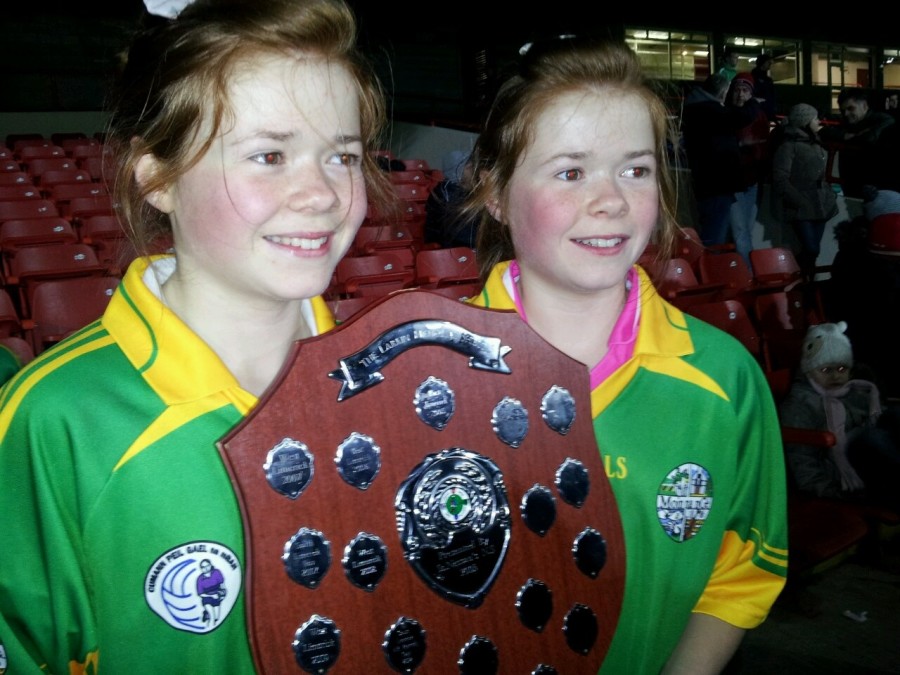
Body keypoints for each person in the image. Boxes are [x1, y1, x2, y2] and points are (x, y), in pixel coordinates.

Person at [0, 0, 392, 672]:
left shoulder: (395, 386)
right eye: (269, 154)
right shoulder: (55, 421)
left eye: (343, 155)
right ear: (157, 176)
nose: (324, 194)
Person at [462, 36, 787, 674]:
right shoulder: (418, 376)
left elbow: (741, 573)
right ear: (496, 191)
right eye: (571, 171)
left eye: (635, 169)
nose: (611, 200)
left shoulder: (723, 380)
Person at [780, 321, 900, 514]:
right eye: (826, 370)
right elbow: (802, 459)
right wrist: (829, 491)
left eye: (842, 369)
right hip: (841, 476)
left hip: (874, 462)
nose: (836, 376)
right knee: (870, 439)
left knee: (895, 414)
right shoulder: (800, 404)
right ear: (809, 370)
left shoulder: (856, 391)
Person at [681, 72, 759, 247]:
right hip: (716, 183)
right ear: (724, 91)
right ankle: (708, 270)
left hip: (711, 183)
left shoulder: (697, 107)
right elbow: (740, 118)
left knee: (716, 232)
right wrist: (754, 103)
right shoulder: (710, 110)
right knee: (715, 237)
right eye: (734, 89)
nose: (738, 94)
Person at [771, 103, 838, 281]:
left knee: (813, 249)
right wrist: (799, 200)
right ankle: (801, 281)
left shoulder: (815, 141)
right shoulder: (788, 146)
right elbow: (780, 179)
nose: (818, 121)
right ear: (805, 121)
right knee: (811, 248)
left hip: (820, 203)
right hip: (803, 206)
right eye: (815, 118)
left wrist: (828, 194)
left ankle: (806, 286)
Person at [726, 72, 771, 269]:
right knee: (741, 232)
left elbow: (764, 145)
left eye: (745, 90)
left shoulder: (759, 115)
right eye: (737, 89)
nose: (740, 94)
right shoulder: (726, 114)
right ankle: (750, 276)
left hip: (752, 182)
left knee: (744, 232)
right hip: (733, 183)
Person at [819, 88, 895, 198]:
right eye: (843, 110)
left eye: (851, 108)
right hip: (851, 179)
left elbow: (869, 139)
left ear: (864, 105)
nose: (846, 114)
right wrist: (845, 135)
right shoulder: (848, 123)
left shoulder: (883, 119)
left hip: (873, 181)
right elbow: (824, 132)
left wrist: (847, 136)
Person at [423, 149, 479, 248]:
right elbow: (455, 233)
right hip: (451, 250)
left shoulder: (472, 192)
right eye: (470, 167)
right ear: (458, 170)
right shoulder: (446, 194)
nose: (475, 172)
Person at [751, 51, 778, 122]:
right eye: (767, 62)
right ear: (762, 62)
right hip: (760, 108)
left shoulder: (766, 78)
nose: (770, 63)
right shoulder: (756, 77)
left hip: (765, 108)